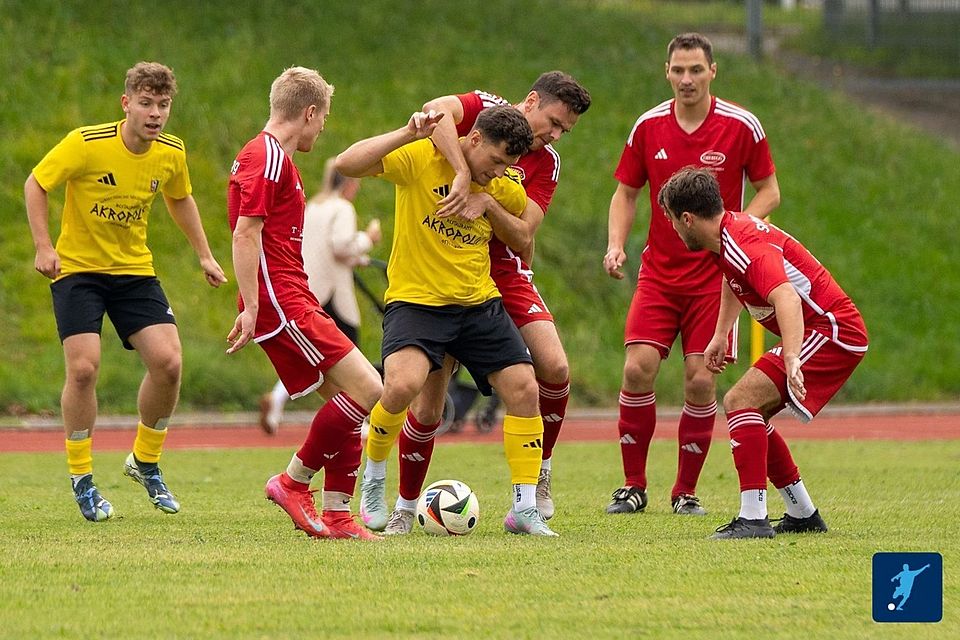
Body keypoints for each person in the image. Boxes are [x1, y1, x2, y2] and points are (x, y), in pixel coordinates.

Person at [375, 71, 591, 534]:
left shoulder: (547, 163)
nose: (554, 136)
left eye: (564, 132)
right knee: (428, 407)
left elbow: (524, 235)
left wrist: (486, 202)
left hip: (501, 274)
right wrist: (460, 173)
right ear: (531, 101)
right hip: (438, 268)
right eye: (553, 122)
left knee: (552, 368)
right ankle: (404, 505)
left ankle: (538, 477)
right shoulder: (482, 108)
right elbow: (434, 116)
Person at [336, 105, 559, 537]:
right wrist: (404, 131)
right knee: (401, 387)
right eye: (495, 161)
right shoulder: (421, 157)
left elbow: (523, 239)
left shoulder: (504, 184)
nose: (499, 172)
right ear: (473, 140)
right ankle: (376, 477)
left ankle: (524, 509)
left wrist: (488, 204)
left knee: (525, 388)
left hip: (478, 304)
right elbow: (348, 162)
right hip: (416, 302)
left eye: (508, 166)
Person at [24, 61, 227, 523]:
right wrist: (43, 245)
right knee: (83, 369)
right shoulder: (86, 144)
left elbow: (179, 197)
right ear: (126, 103)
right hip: (77, 270)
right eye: (146, 103)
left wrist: (204, 254)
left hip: (133, 271)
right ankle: (82, 479)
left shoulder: (171, 152)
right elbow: (36, 183)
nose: (155, 114)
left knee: (169, 363)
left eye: (163, 105)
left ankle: (145, 461)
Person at [603, 33, 781, 517]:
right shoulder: (648, 127)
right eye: (678, 70)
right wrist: (616, 244)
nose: (687, 79)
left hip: (717, 279)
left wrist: (741, 230)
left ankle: (685, 492)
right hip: (659, 276)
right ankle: (632, 486)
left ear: (712, 71)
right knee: (637, 368)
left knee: (701, 380)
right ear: (667, 73)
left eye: (696, 70)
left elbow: (769, 190)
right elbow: (625, 192)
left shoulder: (741, 126)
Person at [657, 167, 868, 539]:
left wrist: (791, 355)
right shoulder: (728, 237)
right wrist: (721, 333)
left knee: (741, 400)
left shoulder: (742, 242)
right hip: (823, 328)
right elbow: (733, 277)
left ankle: (753, 517)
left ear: (687, 218)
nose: (674, 229)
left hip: (833, 330)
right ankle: (802, 513)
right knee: (754, 411)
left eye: (673, 221)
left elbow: (784, 294)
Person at [226, 66, 383, 541]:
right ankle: (293, 481)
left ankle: (338, 516)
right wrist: (252, 307)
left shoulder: (274, 159)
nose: (323, 128)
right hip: (282, 300)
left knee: (345, 406)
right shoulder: (269, 156)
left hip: (290, 296)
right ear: (309, 112)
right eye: (324, 118)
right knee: (369, 389)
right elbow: (245, 231)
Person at [258, 157, 382, 434]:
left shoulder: (312, 205)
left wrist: (356, 256)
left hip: (307, 287)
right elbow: (340, 246)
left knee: (311, 356)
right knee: (348, 352)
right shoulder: (343, 208)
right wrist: (367, 240)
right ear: (348, 182)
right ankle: (356, 418)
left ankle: (278, 400)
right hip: (332, 292)